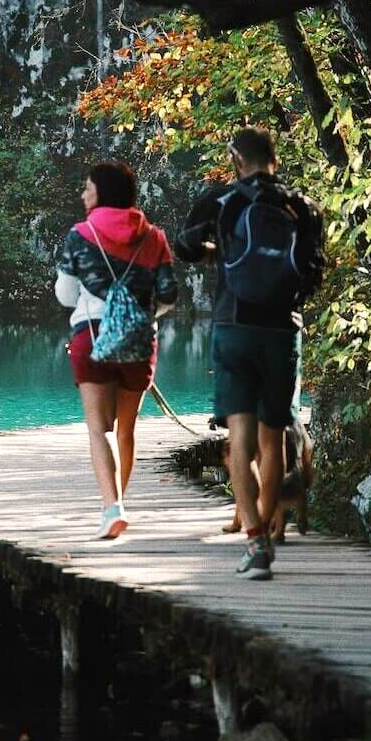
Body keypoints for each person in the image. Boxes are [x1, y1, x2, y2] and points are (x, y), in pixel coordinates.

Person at [174, 127, 325, 580]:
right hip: (282, 329)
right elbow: (314, 272)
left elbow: (184, 246)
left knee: (239, 438)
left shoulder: (222, 201)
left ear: (235, 158)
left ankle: (257, 543)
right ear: (274, 160)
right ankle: (273, 524)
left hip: (234, 326)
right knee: (274, 436)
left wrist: (213, 251)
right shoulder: (301, 207)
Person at [55, 160, 178, 539]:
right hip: (140, 344)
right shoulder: (154, 237)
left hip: (91, 337)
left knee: (98, 429)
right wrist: (139, 315)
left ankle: (113, 507)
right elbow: (169, 296)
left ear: (102, 193)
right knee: (126, 428)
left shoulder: (80, 234)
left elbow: (65, 295)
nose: (82, 195)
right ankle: (117, 501)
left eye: (87, 188)